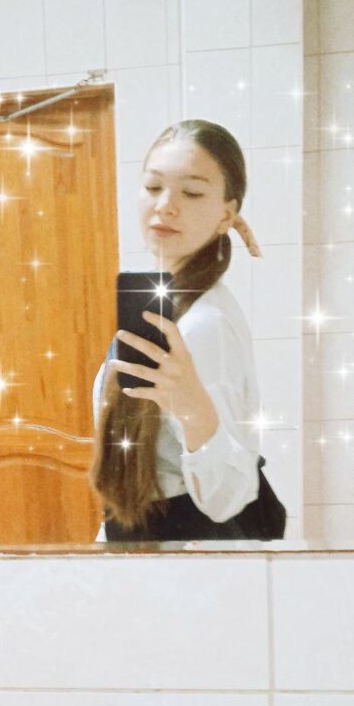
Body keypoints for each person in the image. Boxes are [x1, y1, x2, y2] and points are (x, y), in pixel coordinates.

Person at [89, 119, 264, 542]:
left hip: (181, 550)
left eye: (192, 193)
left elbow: (229, 497)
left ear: (227, 213)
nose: (165, 206)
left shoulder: (205, 325)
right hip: (147, 538)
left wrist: (193, 408)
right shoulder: (169, 296)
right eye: (153, 187)